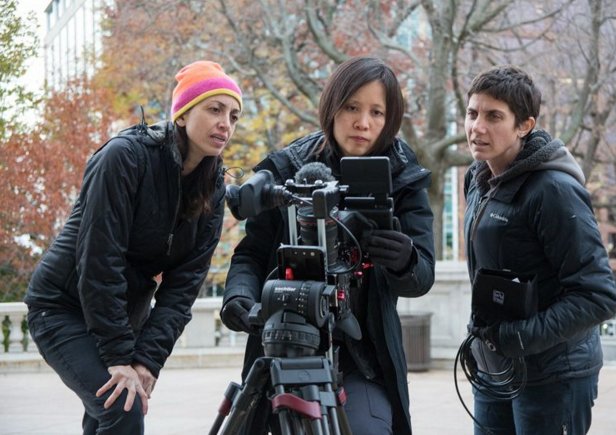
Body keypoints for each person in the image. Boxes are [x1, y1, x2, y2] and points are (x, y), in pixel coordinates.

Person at [24, 60, 242, 434]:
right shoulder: (125, 156)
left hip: (124, 316)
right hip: (62, 307)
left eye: (234, 116)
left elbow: (183, 289)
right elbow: (99, 259)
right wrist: (118, 355)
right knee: (123, 408)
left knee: (109, 414)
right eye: (214, 109)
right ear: (182, 114)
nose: (226, 123)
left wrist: (147, 361)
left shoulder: (213, 189)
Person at [220, 56, 435, 435]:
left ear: (390, 120)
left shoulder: (404, 177)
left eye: (377, 112)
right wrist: (239, 296)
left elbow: (422, 276)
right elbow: (251, 254)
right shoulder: (289, 167)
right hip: (283, 343)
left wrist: (405, 260)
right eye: (352, 107)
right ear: (332, 106)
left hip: (362, 355)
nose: (363, 122)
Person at [463, 65, 616, 434]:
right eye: (472, 113)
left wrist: (518, 337)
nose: (477, 127)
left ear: (524, 126)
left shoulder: (554, 190)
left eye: (494, 116)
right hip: (495, 368)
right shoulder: (478, 178)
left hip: (554, 375)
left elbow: (599, 295)